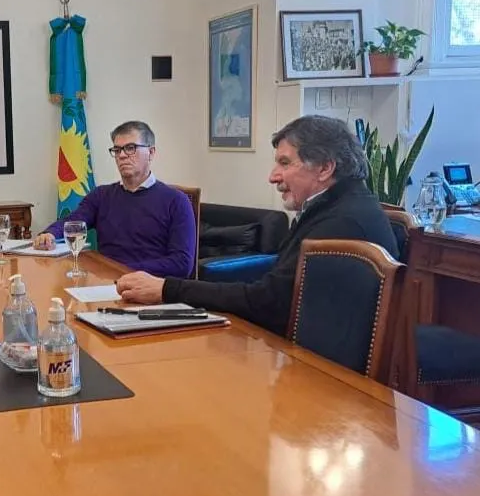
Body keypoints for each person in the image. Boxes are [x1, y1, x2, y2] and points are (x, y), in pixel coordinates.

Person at [116, 115, 399, 335]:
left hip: (322, 374)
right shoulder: (334, 206)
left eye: (285, 163)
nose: (273, 176)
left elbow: (270, 303)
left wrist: (168, 289)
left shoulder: (341, 224)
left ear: (325, 168)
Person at [34, 120, 196, 278]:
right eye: (117, 150)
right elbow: (73, 222)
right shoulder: (101, 195)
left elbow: (181, 263)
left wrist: (120, 270)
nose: (122, 155)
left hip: (149, 285)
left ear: (151, 152)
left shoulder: (176, 201)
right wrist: (50, 234)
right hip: (106, 283)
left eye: (130, 148)